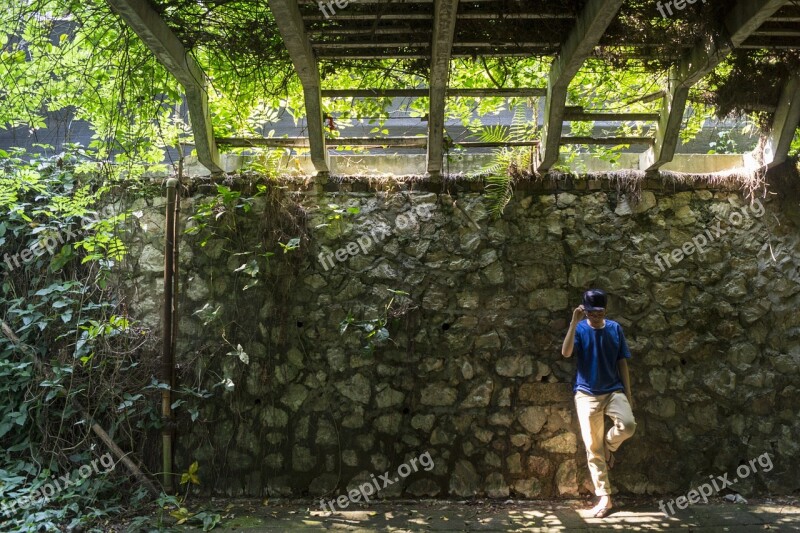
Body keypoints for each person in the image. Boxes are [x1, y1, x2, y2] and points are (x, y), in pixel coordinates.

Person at [561, 289, 636, 518]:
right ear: (584, 310)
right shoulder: (581, 329)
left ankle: (609, 445)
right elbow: (566, 353)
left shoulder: (614, 328)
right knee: (593, 449)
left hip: (614, 390)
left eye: (600, 312)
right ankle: (605, 497)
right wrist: (574, 323)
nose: (596, 316)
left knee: (628, 424)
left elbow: (622, 362)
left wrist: (629, 396)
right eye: (591, 312)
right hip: (586, 394)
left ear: (606, 310)